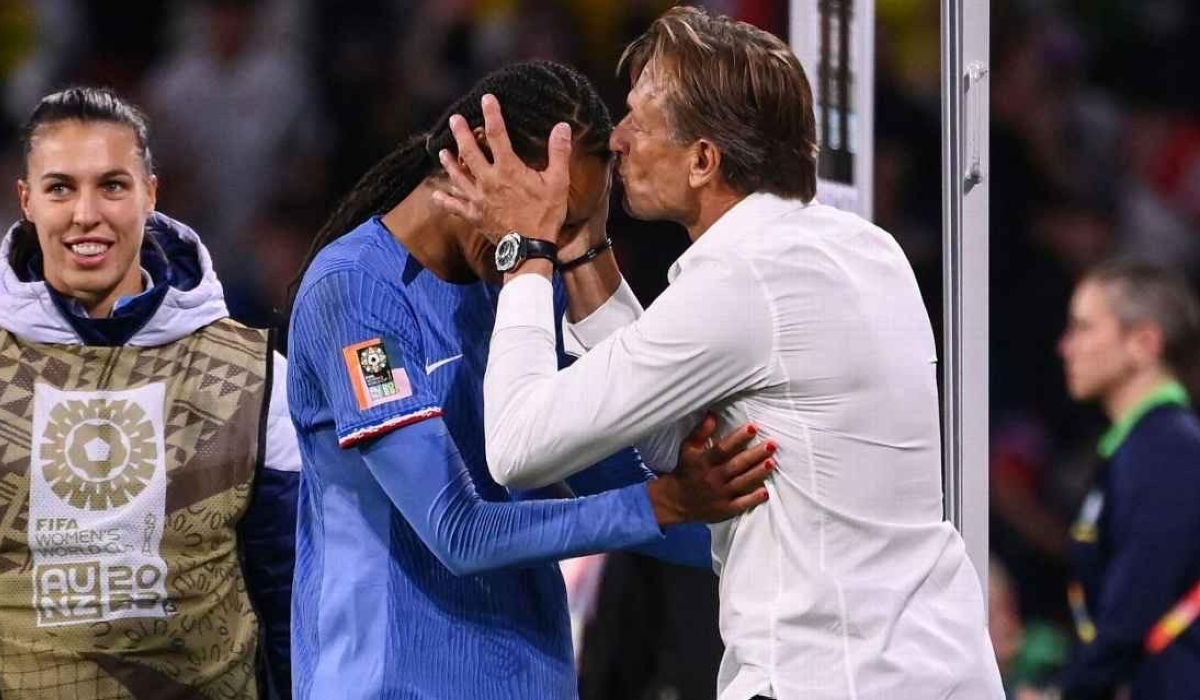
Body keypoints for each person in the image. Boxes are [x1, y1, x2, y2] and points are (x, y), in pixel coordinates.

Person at [433, 7, 1004, 700]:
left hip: (826, 681)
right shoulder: (864, 248)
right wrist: (583, 248)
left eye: (640, 119)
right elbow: (664, 406)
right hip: (940, 670)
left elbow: (519, 443)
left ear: (705, 161)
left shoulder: (743, 282)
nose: (617, 139)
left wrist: (528, 250)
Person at [285, 60, 773, 700]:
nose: (563, 249)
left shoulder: (525, 285)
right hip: (389, 684)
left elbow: (612, 481)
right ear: (476, 162)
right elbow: (457, 531)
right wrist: (666, 502)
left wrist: (737, 506)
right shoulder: (353, 293)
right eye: (558, 225)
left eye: (579, 230)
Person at [0, 87, 298, 699]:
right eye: (60, 188)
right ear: (26, 201)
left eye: (112, 185)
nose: (86, 214)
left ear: (151, 195)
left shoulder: (257, 370)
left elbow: (291, 590)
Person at [1057, 260, 1200, 700]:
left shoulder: (1170, 451)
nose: (1066, 347)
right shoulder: (1137, 448)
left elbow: (1133, 608)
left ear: (1143, 343)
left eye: (1083, 328)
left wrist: (1065, 693)